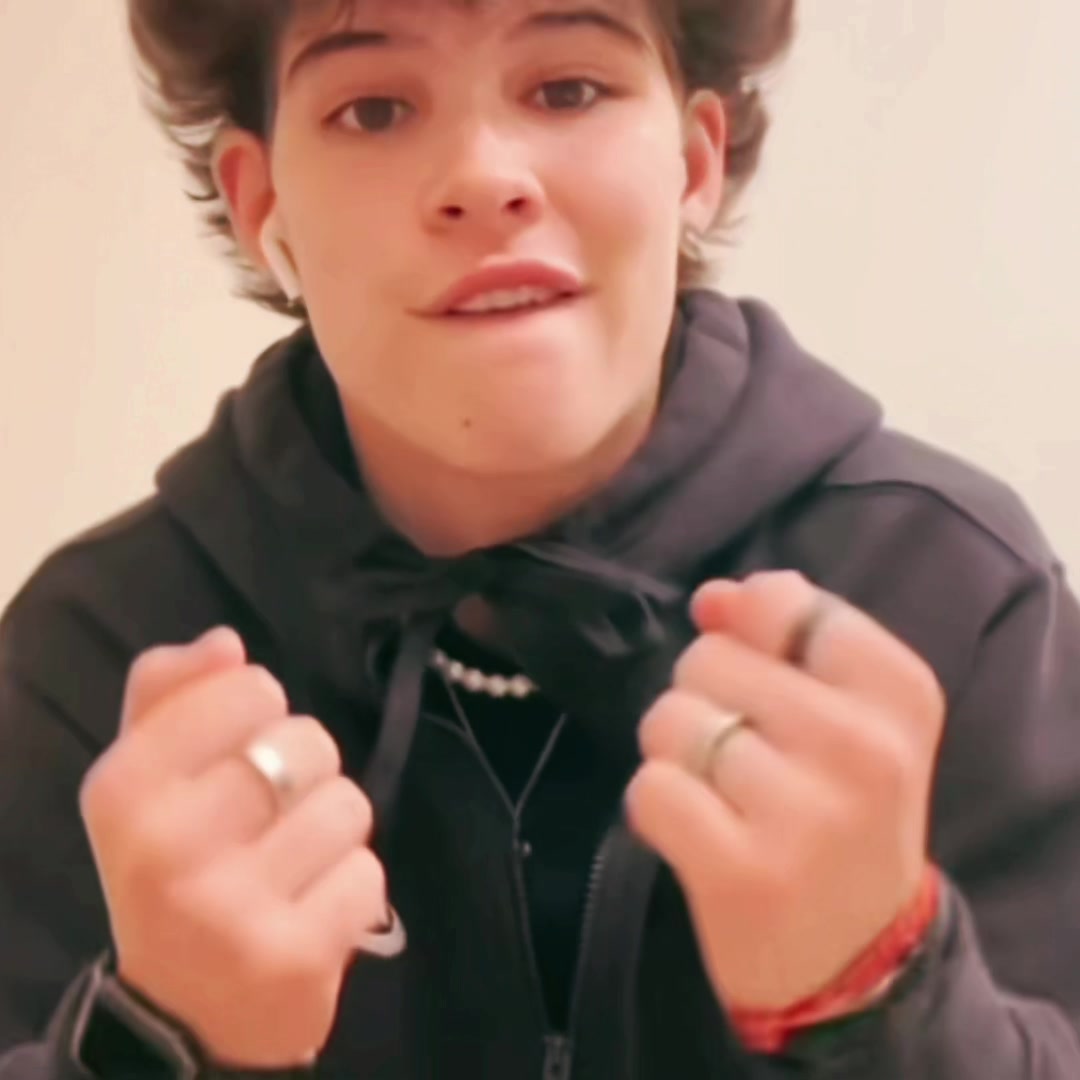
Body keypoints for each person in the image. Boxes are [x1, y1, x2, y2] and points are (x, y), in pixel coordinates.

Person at [1, 0, 1079, 1076]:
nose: (483, 176)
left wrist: (878, 998)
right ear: (261, 200)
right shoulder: (93, 658)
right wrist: (157, 1043)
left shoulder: (951, 593)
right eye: (374, 110)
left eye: (569, 89)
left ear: (695, 160)